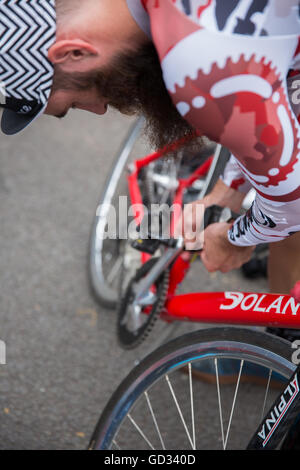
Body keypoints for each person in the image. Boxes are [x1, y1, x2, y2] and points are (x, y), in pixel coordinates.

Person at [1, 1, 300, 298]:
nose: (99, 110)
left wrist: (234, 239)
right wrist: (230, 189)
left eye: (76, 102)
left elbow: (292, 200)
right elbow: (269, 114)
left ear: (73, 53)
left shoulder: (199, 69)